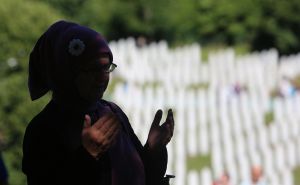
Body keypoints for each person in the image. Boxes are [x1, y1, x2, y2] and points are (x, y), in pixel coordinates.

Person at [22, 20, 175, 185]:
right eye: (94, 69)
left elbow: (144, 177)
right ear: (67, 72)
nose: (103, 77)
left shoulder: (112, 111)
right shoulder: (43, 129)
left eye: (106, 67)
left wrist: (153, 149)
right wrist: (86, 155)